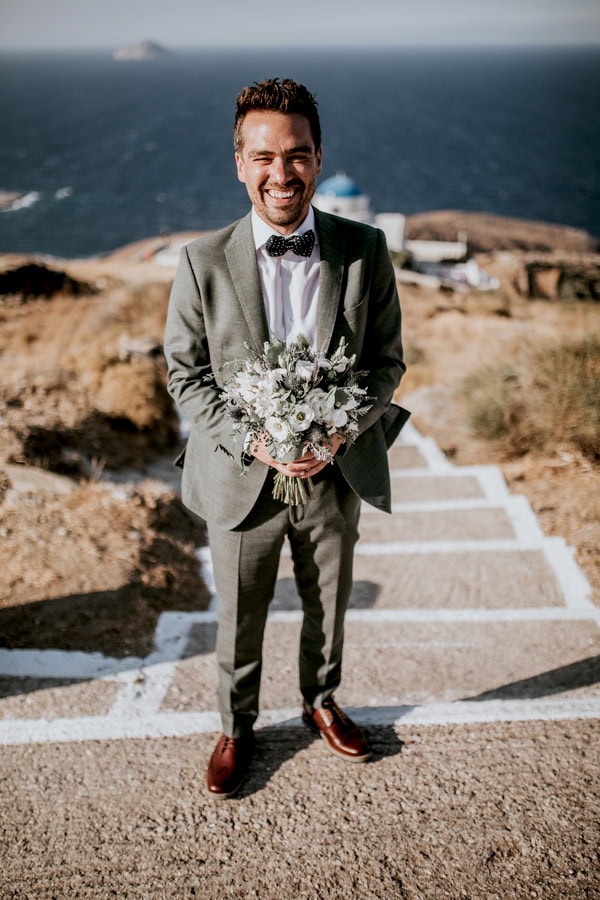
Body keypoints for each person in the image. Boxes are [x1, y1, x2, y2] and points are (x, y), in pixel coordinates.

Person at [164, 78, 407, 799]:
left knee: (328, 604)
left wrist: (338, 430)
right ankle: (236, 728)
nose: (282, 173)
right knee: (239, 614)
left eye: (297, 154)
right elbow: (185, 376)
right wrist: (251, 440)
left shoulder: (366, 249)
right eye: (264, 156)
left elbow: (386, 362)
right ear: (239, 162)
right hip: (242, 479)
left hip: (337, 471)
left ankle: (322, 700)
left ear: (319, 158)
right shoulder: (200, 262)